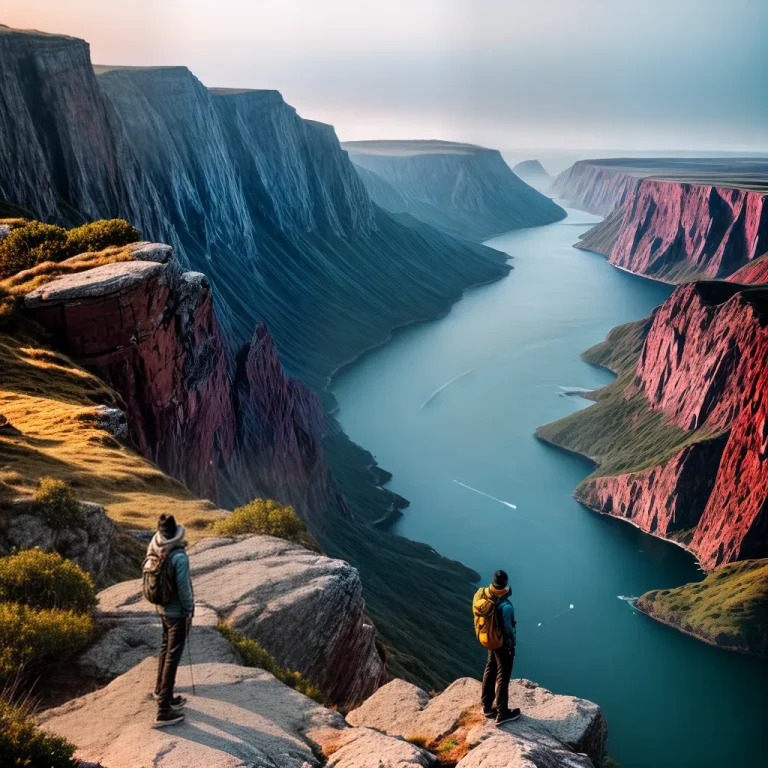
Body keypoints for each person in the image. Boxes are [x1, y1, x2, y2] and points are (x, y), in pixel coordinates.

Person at [148, 514, 194, 728]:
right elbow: (184, 589)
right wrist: (189, 608)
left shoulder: (155, 546)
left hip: (162, 609)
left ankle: (160, 691)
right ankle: (163, 710)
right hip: (177, 613)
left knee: (165, 649)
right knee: (172, 657)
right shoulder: (179, 557)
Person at [481, 569, 520, 726]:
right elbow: (508, 630)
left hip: (491, 639)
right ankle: (502, 713)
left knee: (490, 667)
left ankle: (487, 706)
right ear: (505, 583)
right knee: (503, 676)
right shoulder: (506, 606)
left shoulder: (486, 595)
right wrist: (511, 645)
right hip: (502, 643)